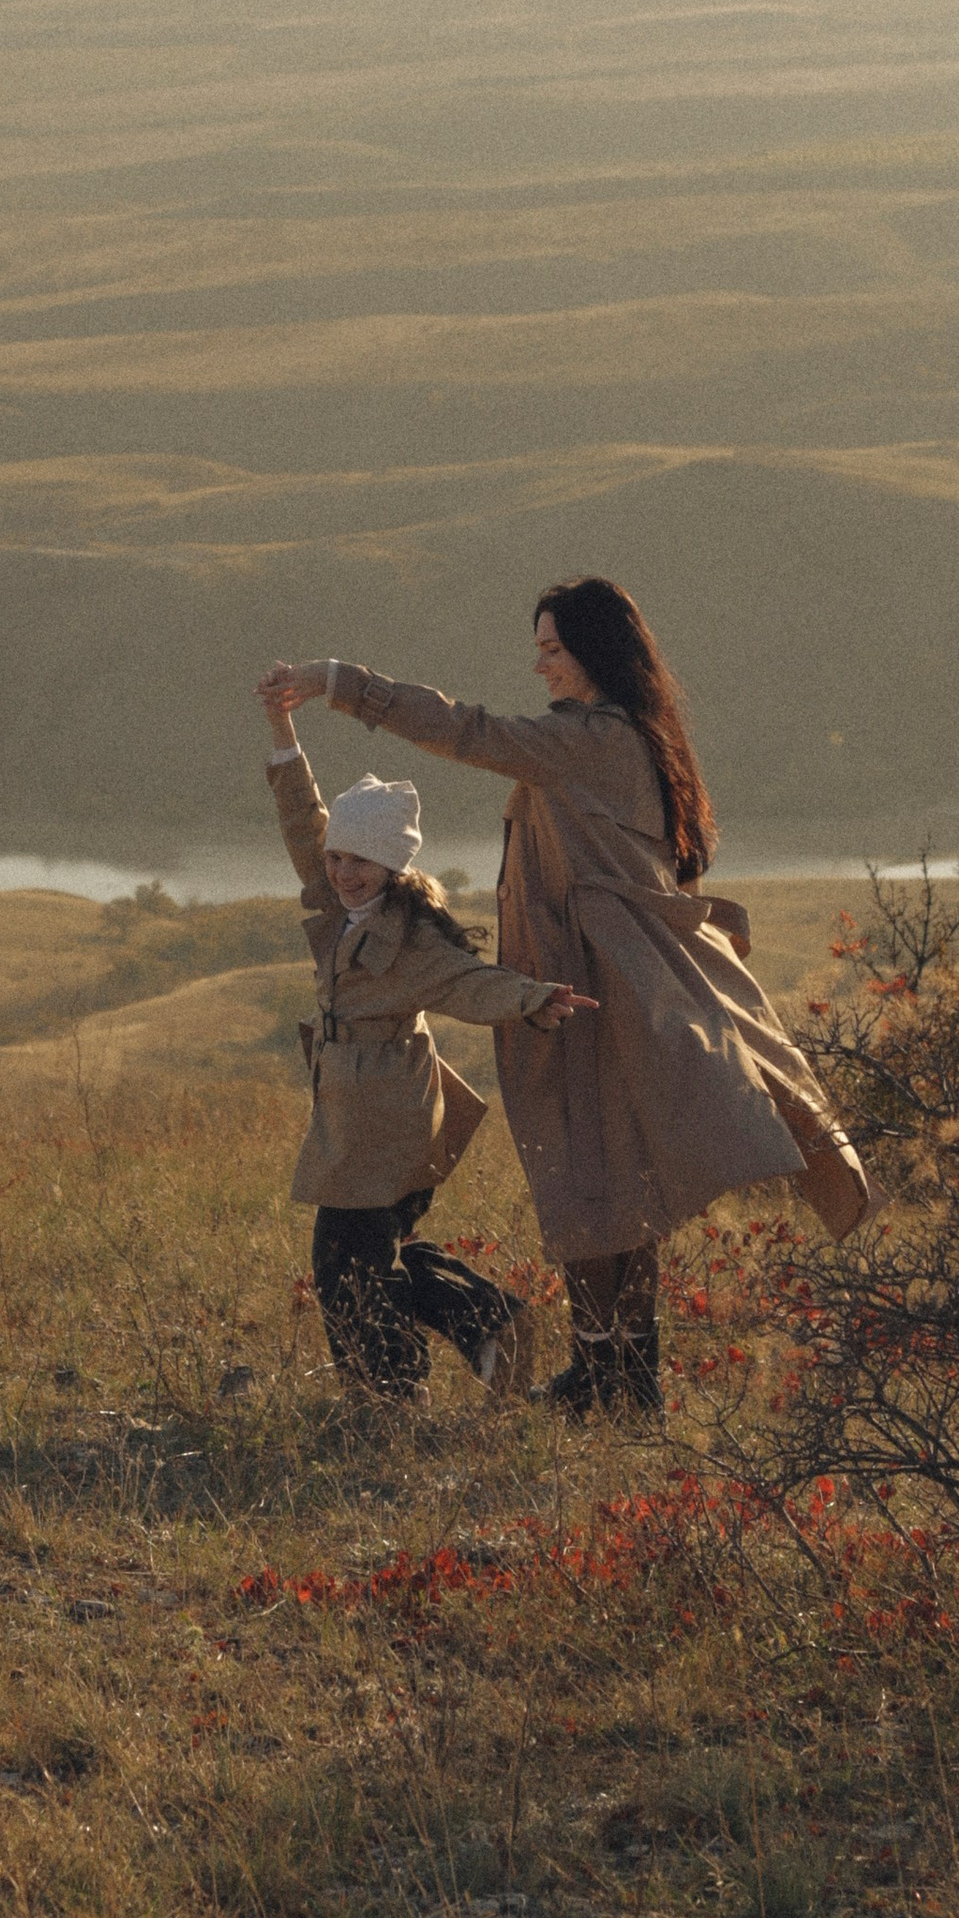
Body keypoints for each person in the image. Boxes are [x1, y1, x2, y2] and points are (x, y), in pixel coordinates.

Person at [260, 578, 866, 1421]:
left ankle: (610, 1377)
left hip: (582, 992)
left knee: (594, 1186)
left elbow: (467, 730)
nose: (539, 664)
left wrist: (340, 683)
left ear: (594, 652)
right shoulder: (636, 738)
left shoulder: (592, 739)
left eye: (552, 649)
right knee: (615, 1189)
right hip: (599, 986)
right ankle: (615, 1375)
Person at [261, 682, 595, 1403]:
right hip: (358, 1111)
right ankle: (488, 1322)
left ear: (393, 866)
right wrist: (283, 730)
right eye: (338, 858)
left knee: (344, 1258)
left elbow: (470, 982)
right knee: (372, 1254)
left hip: (387, 1117)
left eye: (360, 862)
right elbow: (301, 818)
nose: (343, 873)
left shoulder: (409, 936)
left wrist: (535, 999)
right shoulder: (335, 900)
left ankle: (389, 1393)